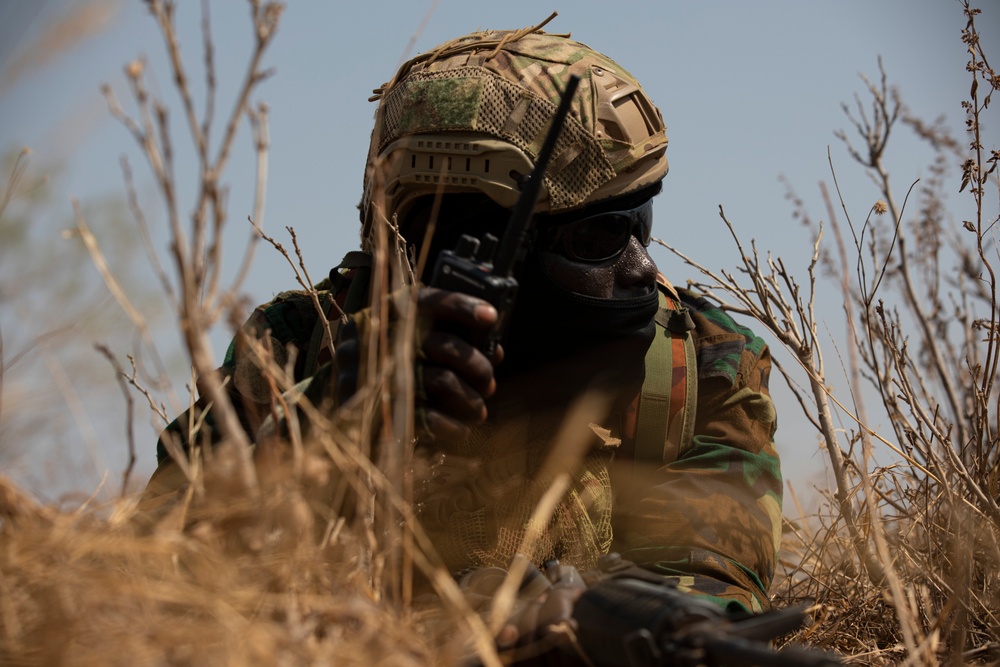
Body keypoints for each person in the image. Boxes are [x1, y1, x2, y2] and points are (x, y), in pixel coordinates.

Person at [143, 20, 783, 660]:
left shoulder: (701, 366)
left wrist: (572, 631)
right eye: (601, 239)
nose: (644, 269)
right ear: (459, 244)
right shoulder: (296, 350)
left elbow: (708, 579)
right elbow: (144, 576)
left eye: (642, 222)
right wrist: (326, 425)